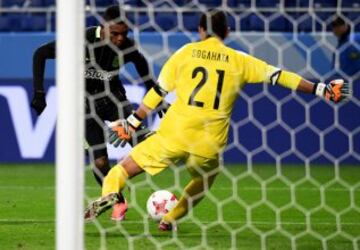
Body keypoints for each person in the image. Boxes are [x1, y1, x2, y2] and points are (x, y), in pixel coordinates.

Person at [84, 9, 350, 230]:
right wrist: (320, 89)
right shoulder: (239, 59)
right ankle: (169, 220)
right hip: (209, 143)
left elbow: (158, 92)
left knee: (120, 170)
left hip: (173, 134)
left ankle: (111, 194)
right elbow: (280, 76)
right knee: (204, 180)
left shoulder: (186, 53)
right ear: (227, 33)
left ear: (201, 30)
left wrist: (131, 123)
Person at [30, 5, 169, 221]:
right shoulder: (81, 39)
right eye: (115, 33)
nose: (120, 38)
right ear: (103, 27)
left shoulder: (128, 48)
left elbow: (145, 74)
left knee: (144, 144)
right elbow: (40, 53)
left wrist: (158, 101)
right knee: (101, 163)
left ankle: (137, 181)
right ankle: (117, 201)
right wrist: (39, 92)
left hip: (114, 99)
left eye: (124, 33)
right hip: (82, 106)